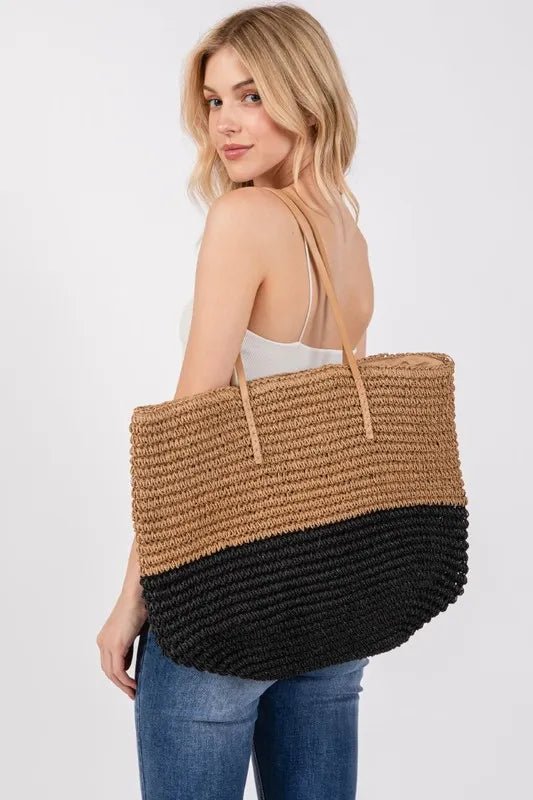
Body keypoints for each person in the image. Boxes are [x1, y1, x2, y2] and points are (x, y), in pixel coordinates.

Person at [96, 4, 374, 798]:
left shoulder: (244, 216)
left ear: (306, 95)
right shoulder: (345, 231)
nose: (225, 122)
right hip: (333, 582)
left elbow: (190, 426)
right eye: (215, 100)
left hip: (227, 582)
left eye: (251, 95)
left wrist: (133, 595)